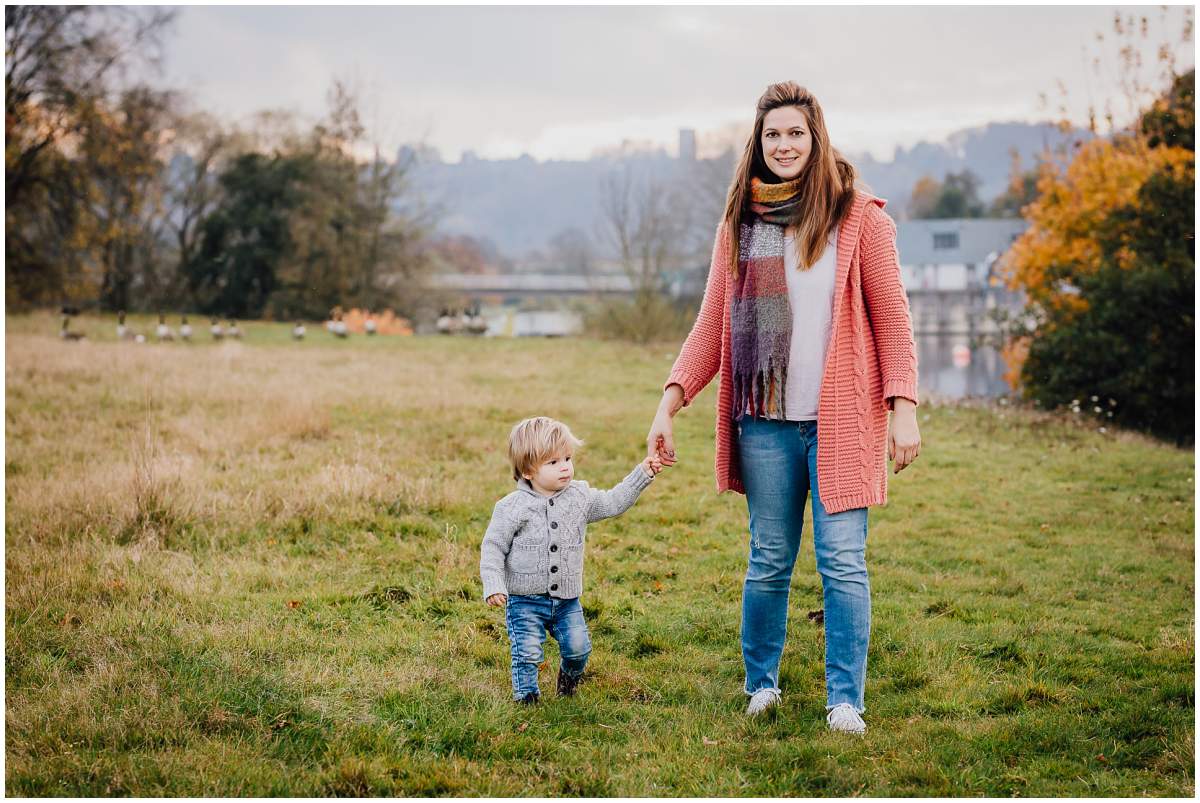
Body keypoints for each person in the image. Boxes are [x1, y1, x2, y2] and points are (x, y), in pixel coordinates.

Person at [645, 81, 921, 735]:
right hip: (763, 422)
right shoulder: (739, 222)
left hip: (843, 420)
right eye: (773, 134)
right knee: (769, 557)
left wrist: (903, 406)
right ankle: (761, 685)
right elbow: (712, 323)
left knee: (843, 560)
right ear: (759, 144)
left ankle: (844, 699)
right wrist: (670, 400)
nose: (785, 143)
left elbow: (894, 321)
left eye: (796, 132)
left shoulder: (862, 219)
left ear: (816, 137)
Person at [480, 416, 663, 704]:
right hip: (524, 600)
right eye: (553, 462)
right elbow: (493, 547)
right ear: (528, 470)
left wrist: (642, 474)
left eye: (567, 458)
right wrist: (494, 584)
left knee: (578, 649)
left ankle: (568, 682)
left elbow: (613, 502)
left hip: (566, 600)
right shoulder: (511, 508)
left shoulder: (579, 497)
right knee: (527, 652)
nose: (565, 466)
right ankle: (526, 697)